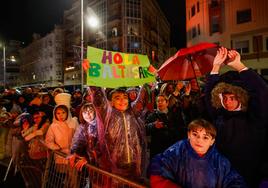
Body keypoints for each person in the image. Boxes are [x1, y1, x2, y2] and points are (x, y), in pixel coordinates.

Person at [205, 47, 268, 187]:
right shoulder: (219, 116)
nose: (227, 102)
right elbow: (209, 96)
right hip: (221, 178)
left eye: (232, 97)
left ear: (241, 97)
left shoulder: (255, 117)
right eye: (224, 97)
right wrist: (215, 66)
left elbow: (262, 92)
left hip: (248, 178)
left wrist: (239, 66)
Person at [148, 119, 247, 188]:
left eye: (205, 137)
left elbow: (235, 181)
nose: (199, 140)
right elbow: (157, 174)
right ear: (188, 135)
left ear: (212, 141)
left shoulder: (220, 162)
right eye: (195, 135)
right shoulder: (175, 153)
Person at [91, 86, 148, 182]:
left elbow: (141, 101)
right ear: (111, 102)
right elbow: (98, 99)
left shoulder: (132, 113)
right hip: (115, 167)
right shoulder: (107, 115)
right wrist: (94, 81)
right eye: (117, 98)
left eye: (125, 97)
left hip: (134, 165)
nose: (122, 100)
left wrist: (147, 85)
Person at [145, 94, 187, 159]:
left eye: (162, 100)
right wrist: (153, 126)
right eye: (158, 101)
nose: (160, 102)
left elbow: (181, 128)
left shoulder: (174, 114)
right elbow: (145, 130)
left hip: (172, 147)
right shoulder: (152, 115)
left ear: (167, 103)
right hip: (158, 149)